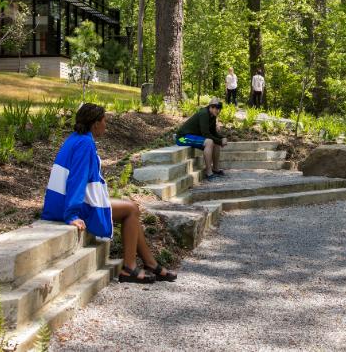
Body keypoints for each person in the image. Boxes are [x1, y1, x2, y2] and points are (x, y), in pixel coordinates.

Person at [42, 103, 177, 284]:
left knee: (132, 207)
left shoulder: (76, 139)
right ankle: (130, 267)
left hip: (61, 201)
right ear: (95, 123)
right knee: (131, 209)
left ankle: (149, 263)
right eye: (104, 121)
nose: (106, 125)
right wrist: (72, 214)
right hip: (69, 206)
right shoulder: (85, 144)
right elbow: (77, 179)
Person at [175, 98, 228, 179]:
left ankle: (216, 169)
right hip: (182, 138)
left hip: (193, 137)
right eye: (216, 108)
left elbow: (213, 132)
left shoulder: (212, 116)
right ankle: (209, 173)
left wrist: (222, 138)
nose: (218, 111)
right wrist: (221, 141)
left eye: (219, 109)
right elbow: (206, 134)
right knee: (209, 142)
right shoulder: (204, 114)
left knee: (215, 143)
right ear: (211, 107)